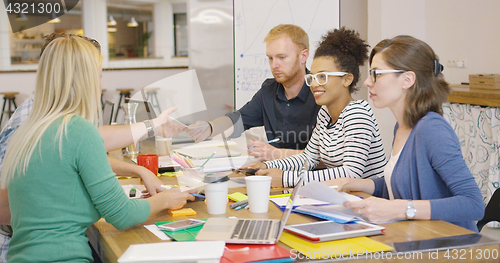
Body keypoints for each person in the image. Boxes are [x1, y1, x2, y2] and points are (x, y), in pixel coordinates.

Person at [1, 34, 194, 262]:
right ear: (84, 80)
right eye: (99, 76)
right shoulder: (78, 130)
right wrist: (168, 199)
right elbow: (121, 215)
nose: (101, 85)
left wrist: (139, 171)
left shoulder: (28, 130)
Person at [325, 35, 484, 232]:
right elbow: (398, 186)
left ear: (407, 79)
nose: (367, 82)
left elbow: (474, 204)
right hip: (416, 238)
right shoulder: (401, 127)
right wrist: (349, 182)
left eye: (376, 74)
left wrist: (400, 209)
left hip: (446, 247)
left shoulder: (432, 129)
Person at [240, 28, 386, 188]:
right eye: (312, 77)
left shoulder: (358, 113)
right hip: (343, 198)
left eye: (322, 77)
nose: (315, 84)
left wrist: (285, 178)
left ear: (346, 79)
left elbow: (349, 173)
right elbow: (308, 158)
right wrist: (267, 167)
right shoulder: (325, 113)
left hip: (370, 201)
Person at [187, 24, 321, 161]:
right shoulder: (268, 91)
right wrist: (209, 128)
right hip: (275, 175)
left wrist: (276, 154)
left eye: (281, 57)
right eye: (270, 58)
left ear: (303, 56)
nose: (274, 65)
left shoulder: (321, 92)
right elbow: (237, 120)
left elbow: (329, 158)